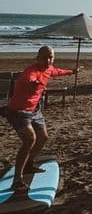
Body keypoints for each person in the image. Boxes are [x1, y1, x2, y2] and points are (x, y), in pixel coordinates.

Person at [4, 46, 77, 193]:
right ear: (37, 58)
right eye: (44, 57)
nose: (48, 60)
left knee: (43, 137)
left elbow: (58, 71)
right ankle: (17, 180)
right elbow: (26, 79)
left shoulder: (49, 68)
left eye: (50, 57)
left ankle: (29, 164)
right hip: (18, 112)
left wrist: (73, 72)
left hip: (34, 110)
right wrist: (31, 81)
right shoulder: (30, 72)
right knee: (29, 140)